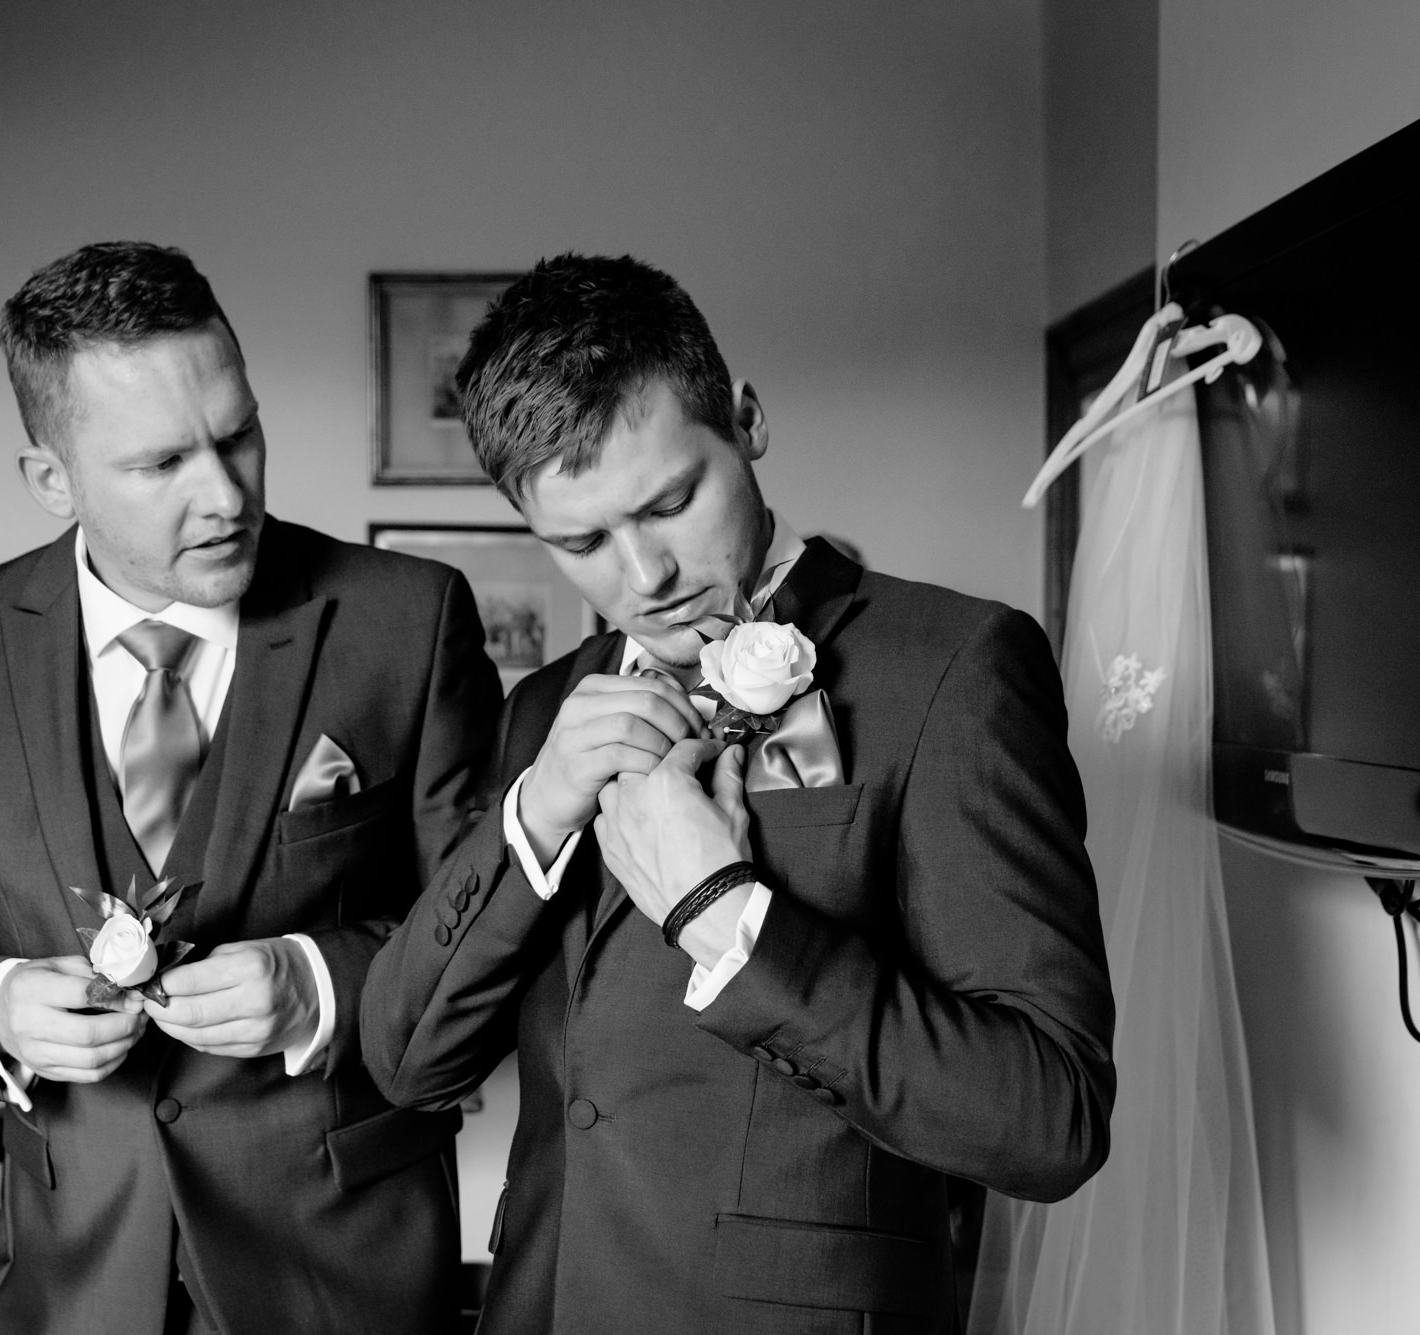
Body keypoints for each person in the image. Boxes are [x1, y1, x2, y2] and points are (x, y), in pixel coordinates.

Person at [361, 254, 1116, 1334]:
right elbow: (405, 1062)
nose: (643, 577)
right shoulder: (541, 713)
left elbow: (1049, 1117)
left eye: (668, 502)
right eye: (579, 543)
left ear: (747, 421)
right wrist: (532, 814)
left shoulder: (952, 669)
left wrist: (729, 915)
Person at [0, 241, 501, 1334]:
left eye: (236, 435)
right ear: (53, 481)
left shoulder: (405, 621)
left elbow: (483, 940)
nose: (224, 494)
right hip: (72, 1280)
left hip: (346, 1276)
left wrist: (318, 985)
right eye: (160, 465)